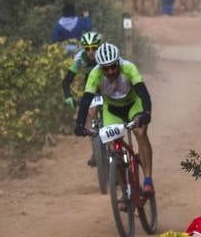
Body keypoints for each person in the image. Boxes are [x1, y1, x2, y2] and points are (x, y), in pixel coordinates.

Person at [73, 42, 154, 193]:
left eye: (113, 66)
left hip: (133, 105)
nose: (110, 71)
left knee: (141, 133)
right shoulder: (95, 74)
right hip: (112, 110)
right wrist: (79, 124)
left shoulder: (128, 67)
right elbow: (85, 101)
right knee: (112, 148)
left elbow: (143, 93)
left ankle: (148, 179)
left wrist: (146, 114)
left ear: (118, 62)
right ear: (100, 67)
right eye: (106, 68)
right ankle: (125, 191)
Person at [62, 31, 102, 167]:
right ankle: (95, 150)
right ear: (84, 49)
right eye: (88, 48)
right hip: (90, 84)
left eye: (94, 48)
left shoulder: (104, 55)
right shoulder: (80, 59)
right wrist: (68, 96)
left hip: (106, 83)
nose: (91, 52)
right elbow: (66, 81)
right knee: (91, 114)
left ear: (99, 47)